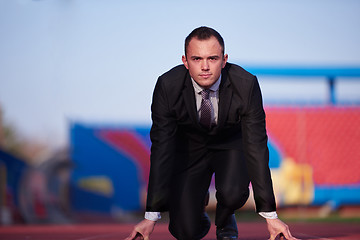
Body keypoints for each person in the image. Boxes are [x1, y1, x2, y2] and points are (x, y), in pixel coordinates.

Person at [126, 26, 299, 240]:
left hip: (230, 144)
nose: (205, 67)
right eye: (197, 59)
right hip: (188, 148)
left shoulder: (246, 85)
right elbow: (162, 149)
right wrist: (150, 217)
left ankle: (226, 218)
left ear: (224, 60)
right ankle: (198, 207)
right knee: (185, 231)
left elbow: (256, 146)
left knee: (233, 192)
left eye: (213, 58)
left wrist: (270, 216)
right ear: (185, 61)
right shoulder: (167, 86)